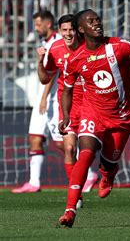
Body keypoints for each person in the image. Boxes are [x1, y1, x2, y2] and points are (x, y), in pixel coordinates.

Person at [57, 9, 130, 228]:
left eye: (98, 20)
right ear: (81, 29)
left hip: (121, 116)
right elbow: (67, 90)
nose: (97, 24)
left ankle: (108, 174)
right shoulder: (76, 59)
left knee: (110, 162)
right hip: (93, 114)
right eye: (91, 22)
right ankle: (70, 210)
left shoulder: (120, 46)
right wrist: (66, 116)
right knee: (85, 154)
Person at [37, 14, 98, 201]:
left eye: (71, 29)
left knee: (89, 149)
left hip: (90, 103)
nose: (68, 33)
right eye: (64, 30)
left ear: (77, 30)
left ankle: (100, 174)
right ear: (59, 31)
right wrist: (40, 62)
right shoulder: (54, 48)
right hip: (67, 104)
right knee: (69, 148)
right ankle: (76, 193)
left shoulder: (88, 46)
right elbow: (45, 78)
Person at [12, 11, 62, 194]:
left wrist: (44, 98)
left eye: (38, 24)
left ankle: (88, 174)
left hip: (54, 100)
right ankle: (34, 182)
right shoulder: (45, 42)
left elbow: (53, 71)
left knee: (61, 143)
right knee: (35, 137)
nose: (36, 28)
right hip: (42, 100)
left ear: (48, 24)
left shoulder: (57, 43)